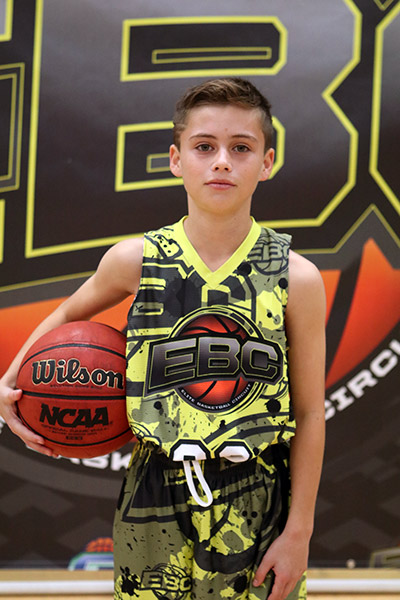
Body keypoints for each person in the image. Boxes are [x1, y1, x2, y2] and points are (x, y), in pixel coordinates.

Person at [0, 78, 325, 600]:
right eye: (204, 147)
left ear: (266, 163)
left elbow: (309, 412)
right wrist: (11, 379)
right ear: (177, 160)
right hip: (154, 490)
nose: (222, 162)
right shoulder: (136, 259)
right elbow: (66, 314)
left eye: (241, 148)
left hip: (259, 494)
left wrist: (300, 532)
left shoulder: (296, 277)